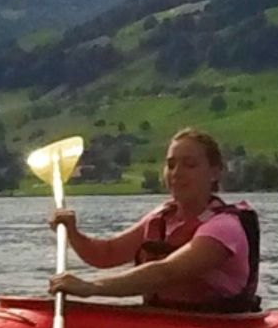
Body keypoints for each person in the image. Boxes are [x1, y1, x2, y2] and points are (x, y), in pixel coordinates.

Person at [50, 129, 260, 310]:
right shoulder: (161, 218)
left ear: (214, 173)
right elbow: (107, 254)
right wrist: (72, 233)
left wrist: (91, 287)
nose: (176, 173)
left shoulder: (224, 228)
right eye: (171, 165)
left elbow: (165, 273)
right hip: (163, 324)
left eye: (190, 165)